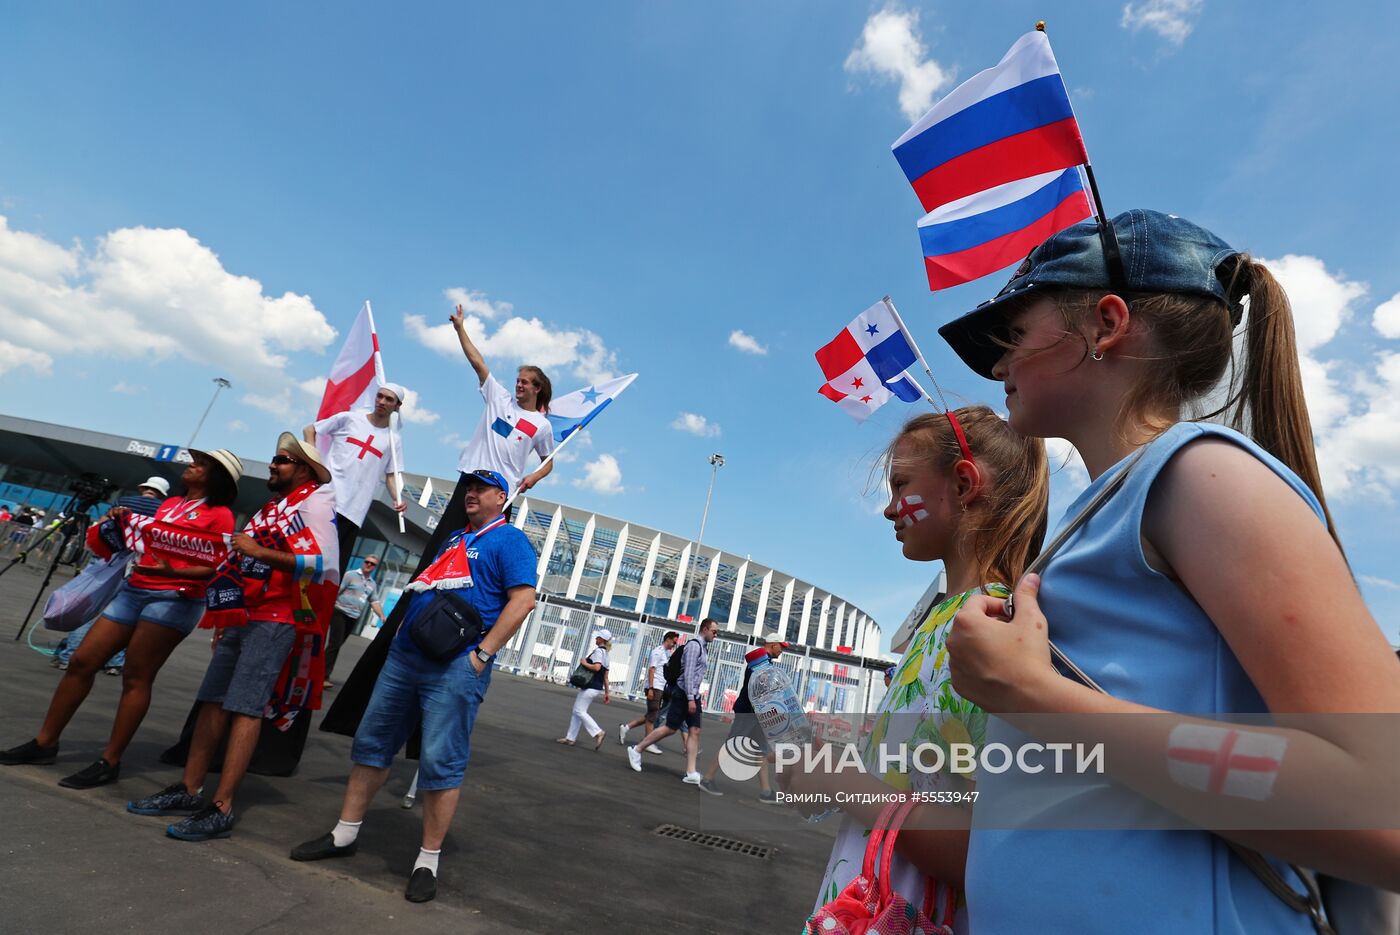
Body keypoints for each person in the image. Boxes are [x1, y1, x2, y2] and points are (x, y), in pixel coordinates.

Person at [937, 211, 1400, 930]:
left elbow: (1382, 806)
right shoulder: (1115, 507)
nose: (999, 367)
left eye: (1015, 335)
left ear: (1106, 323)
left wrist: (1032, 697)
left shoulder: (1202, 474)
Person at [792, 407, 1046, 928]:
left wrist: (842, 783)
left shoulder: (991, 628)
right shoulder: (945, 622)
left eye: (901, 484)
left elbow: (989, 854)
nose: (890, 509)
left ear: (964, 484)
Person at [289, 468, 538, 904]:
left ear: (502, 497)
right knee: (372, 743)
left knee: (441, 760)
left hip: (456, 665)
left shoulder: (510, 540)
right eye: (468, 488)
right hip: (405, 658)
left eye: (481, 489)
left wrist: (481, 656)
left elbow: (523, 601)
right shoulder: (455, 538)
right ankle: (344, 833)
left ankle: (428, 861)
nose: (471, 494)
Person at [320, 304, 554, 738]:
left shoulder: (540, 426)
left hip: (500, 495)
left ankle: (463, 653)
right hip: (472, 481)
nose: (519, 384)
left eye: (526, 381)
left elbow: (549, 462)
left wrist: (532, 478)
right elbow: (477, 362)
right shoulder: (498, 398)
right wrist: (461, 328)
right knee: (435, 567)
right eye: (518, 379)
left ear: (538, 389)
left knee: (475, 574)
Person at [127, 433, 336, 841]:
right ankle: (190, 789)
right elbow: (240, 556)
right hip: (243, 612)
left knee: (246, 708)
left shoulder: (316, 502)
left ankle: (221, 806)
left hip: (276, 616)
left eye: (282, 460)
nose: (272, 464)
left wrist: (259, 552)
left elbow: (322, 563)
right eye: (275, 458)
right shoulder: (273, 507)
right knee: (212, 700)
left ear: (304, 471)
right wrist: (227, 611)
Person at [0, 450, 242, 789]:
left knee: (136, 677)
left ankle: (110, 761)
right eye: (194, 460)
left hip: (174, 598)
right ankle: (45, 743)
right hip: (135, 588)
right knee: (82, 661)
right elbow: (147, 541)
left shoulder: (221, 516)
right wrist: (120, 521)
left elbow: (217, 566)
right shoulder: (171, 504)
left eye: (201, 464)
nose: (191, 464)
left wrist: (172, 571)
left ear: (217, 477)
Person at [50, 479, 172, 674]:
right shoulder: (165, 510)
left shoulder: (124, 501)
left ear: (142, 488)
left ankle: (69, 657)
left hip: (109, 559)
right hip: (139, 564)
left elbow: (101, 526)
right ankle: (115, 663)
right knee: (126, 613)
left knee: (88, 606)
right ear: (162, 494)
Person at [304, 384, 408, 577]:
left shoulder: (393, 440)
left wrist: (397, 498)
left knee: (329, 573)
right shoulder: (350, 418)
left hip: (353, 512)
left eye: (388, 399)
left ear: (397, 406)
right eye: (379, 396)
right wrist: (313, 461)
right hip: (326, 499)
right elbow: (310, 430)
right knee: (303, 557)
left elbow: (391, 475)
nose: (382, 402)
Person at [696, 631, 794, 802]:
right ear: (773, 644)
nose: (782, 650)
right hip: (749, 712)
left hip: (758, 713)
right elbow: (760, 689)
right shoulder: (760, 662)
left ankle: (766, 791)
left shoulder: (764, 661)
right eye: (781, 647)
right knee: (732, 745)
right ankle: (707, 779)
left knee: (761, 750)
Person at [626, 617, 719, 783]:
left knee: (694, 730)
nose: (715, 635)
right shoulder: (694, 646)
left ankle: (691, 772)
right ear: (705, 629)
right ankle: (637, 749)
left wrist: (695, 697)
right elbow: (688, 673)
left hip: (694, 695)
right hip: (684, 693)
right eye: (714, 631)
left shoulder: (704, 648)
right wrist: (690, 698)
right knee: (670, 728)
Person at [323, 554, 386, 688]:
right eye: (367, 562)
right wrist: (327, 607)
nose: (368, 565)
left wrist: (382, 616)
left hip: (353, 616)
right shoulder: (350, 575)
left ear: (375, 567)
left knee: (337, 645)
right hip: (340, 612)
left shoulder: (372, 584)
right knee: (335, 644)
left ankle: (318, 670)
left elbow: (374, 601)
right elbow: (337, 591)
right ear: (363, 562)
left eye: (372, 564)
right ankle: (323, 676)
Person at [618, 630, 678, 754]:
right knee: (652, 717)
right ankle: (648, 743)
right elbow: (651, 669)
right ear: (668, 639)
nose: (674, 644)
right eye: (674, 642)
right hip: (655, 687)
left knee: (651, 715)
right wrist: (651, 688)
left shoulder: (664, 653)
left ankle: (626, 727)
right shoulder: (657, 652)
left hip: (660, 687)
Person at [558, 629, 612, 749]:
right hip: (596, 687)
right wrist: (607, 693)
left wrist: (584, 663)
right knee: (577, 711)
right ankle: (570, 738)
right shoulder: (607, 655)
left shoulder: (598, 652)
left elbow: (597, 667)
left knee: (579, 711)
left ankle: (598, 732)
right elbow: (605, 677)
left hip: (590, 686)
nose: (596, 638)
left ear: (602, 639)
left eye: (598, 637)